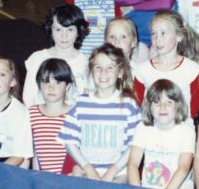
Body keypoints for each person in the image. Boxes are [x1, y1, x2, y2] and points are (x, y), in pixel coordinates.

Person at [59, 43, 141, 182]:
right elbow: (69, 141)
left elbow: (135, 144)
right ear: (91, 71)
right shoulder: (80, 103)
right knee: (74, 176)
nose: (103, 72)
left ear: (120, 72)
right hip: (86, 169)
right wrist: (88, 168)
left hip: (119, 171)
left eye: (110, 67)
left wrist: (112, 172)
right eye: (98, 67)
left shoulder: (129, 105)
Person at [133, 11, 199, 120]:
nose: (157, 39)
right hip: (153, 128)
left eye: (163, 33)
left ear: (179, 36)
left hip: (182, 128)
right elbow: (140, 103)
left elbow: (195, 105)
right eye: (153, 33)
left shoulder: (192, 69)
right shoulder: (143, 70)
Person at [127, 79, 195, 188]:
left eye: (169, 102)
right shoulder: (142, 128)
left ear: (178, 105)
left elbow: (183, 168)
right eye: (157, 102)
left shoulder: (187, 132)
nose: (162, 107)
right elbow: (132, 164)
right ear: (149, 106)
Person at [22, 4, 89, 107]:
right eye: (58, 29)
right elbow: (29, 99)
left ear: (79, 31)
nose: (64, 35)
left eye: (70, 30)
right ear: (50, 30)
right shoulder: (37, 58)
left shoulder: (87, 61)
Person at [28, 58, 75, 174]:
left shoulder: (74, 114)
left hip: (70, 179)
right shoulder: (32, 114)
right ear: (39, 84)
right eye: (46, 81)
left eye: (57, 82)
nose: (51, 87)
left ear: (68, 86)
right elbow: (34, 153)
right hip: (43, 180)